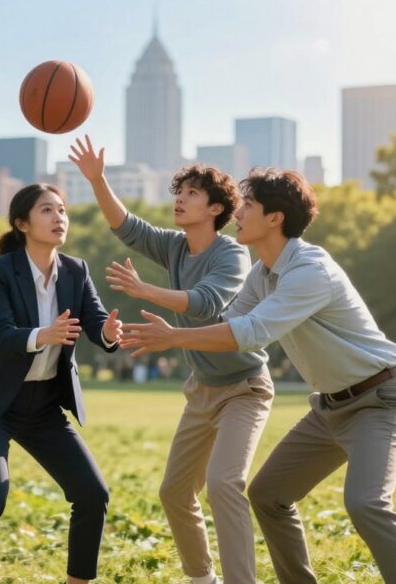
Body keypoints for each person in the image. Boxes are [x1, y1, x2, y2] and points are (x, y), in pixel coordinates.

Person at [119, 168, 396, 583]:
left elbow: (251, 334)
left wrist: (174, 336)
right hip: (329, 409)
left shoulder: (309, 271)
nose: (238, 213)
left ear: (275, 219)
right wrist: (147, 332)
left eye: (248, 206)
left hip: (379, 400)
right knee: (269, 495)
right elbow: (228, 320)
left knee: (366, 503)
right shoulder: (261, 274)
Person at [70, 136, 272, 584]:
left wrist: (145, 291)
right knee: (175, 493)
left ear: (217, 208)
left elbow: (205, 303)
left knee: (223, 483)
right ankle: (203, 579)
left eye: (192, 194)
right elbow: (127, 227)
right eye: (178, 193)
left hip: (244, 389)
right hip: (202, 391)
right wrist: (98, 180)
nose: (180, 200)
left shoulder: (232, 254)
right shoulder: (176, 247)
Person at [0, 183, 122, 584]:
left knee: (93, 494)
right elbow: (0, 334)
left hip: (42, 407)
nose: (59, 218)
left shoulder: (76, 270)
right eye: (47, 211)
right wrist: (43, 335)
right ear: (22, 223)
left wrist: (109, 332)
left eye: (62, 210)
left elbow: (95, 325)